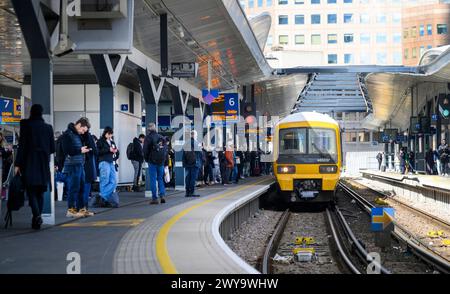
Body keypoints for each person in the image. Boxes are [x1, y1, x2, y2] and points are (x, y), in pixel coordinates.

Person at [15, 104, 55, 230]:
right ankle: (36, 219)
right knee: (41, 192)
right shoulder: (48, 128)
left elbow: (22, 146)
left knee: (31, 191)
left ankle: (37, 216)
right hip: (43, 163)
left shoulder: (26, 125)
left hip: (29, 163)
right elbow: (52, 148)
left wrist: (17, 164)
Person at [62, 117, 92, 217]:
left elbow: (87, 139)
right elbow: (67, 150)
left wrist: (86, 131)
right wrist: (80, 151)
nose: (83, 133)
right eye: (83, 130)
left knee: (82, 187)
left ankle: (81, 209)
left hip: (79, 164)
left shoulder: (77, 134)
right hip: (72, 165)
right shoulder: (67, 134)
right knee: (74, 187)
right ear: (78, 125)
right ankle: (71, 209)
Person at [143, 123, 167, 204]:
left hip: (152, 161)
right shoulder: (161, 137)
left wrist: (147, 159)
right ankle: (162, 195)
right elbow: (165, 150)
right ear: (155, 128)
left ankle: (155, 198)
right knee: (160, 178)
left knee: (153, 179)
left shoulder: (148, 138)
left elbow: (145, 150)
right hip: (161, 162)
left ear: (148, 130)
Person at [97, 127, 120, 207]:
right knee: (105, 180)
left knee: (114, 181)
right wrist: (108, 150)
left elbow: (116, 152)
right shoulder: (100, 141)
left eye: (111, 134)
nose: (110, 136)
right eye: (109, 134)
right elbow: (98, 152)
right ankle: (104, 199)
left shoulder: (112, 142)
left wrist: (116, 152)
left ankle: (102, 196)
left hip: (111, 162)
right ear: (105, 133)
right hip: (103, 162)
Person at [81, 129, 97, 216]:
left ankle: (79, 208)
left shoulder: (76, 137)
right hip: (88, 167)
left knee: (79, 189)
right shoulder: (89, 138)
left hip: (79, 166)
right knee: (86, 189)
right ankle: (84, 209)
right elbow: (95, 151)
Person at [182, 130, 203, 197]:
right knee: (193, 178)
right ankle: (192, 192)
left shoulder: (186, 143)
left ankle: (187, 192)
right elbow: (200, 153)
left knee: (188, 177)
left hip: (187, 163)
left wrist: (184, 163)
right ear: (195, 135)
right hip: (195, 163)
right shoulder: (196, 143)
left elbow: (183, 154)